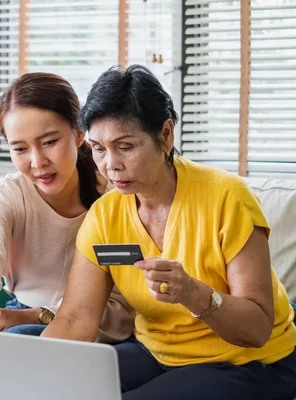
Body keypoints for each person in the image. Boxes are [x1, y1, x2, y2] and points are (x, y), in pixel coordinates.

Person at [41, 64, 296, 399]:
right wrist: (35, 376)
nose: (110, 165)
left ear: (165, 134)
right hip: (157, 353)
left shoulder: (227, 198)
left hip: (249, 361)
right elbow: (75, 319)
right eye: (98, 149)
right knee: (63, 385)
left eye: (126, 146)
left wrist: (192, 293)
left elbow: (257, 328)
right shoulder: (105, 215)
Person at [0, 72, 135, 341]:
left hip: (94, 327)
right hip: (20, 318)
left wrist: (38, 316)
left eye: (49, 142)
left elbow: (121, 306)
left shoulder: (118, 200)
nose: (37, 161)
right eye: (20, 149)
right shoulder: (6, 197)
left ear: (79, 134)